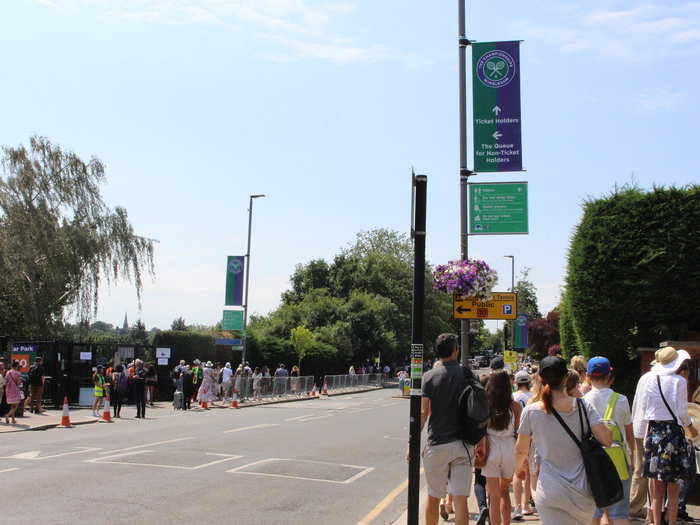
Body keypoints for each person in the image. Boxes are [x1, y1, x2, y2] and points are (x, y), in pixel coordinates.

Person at [515, 356, 612, 525]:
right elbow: (606, 439)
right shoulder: (584, 406)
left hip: (550, 489)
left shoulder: (531, 412)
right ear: (566, 377)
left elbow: (521, 450)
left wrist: (518, 470)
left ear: (540, 379)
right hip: (582, 492)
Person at [417, 333, 476, 525]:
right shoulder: (468, 375)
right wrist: (481, 442)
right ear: (456, 350)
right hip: (463, 444)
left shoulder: (428, 377)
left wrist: (412, 442)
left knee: (433, 497)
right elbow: (477, 412)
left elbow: (424, 413)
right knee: (460, 499)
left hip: (437, 444)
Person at [634, 347, 696, 525]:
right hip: (673, 434)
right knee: (674, 487)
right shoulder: (679, 381)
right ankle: (672, 521)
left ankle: (654, 521)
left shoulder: (649, 379)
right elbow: (683, 414)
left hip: (654, 434)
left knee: (656, 486)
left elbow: (644, 409)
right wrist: (693, 429)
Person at [583, 356, 634, 525]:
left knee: (594, 512)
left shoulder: (582, 402)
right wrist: (632, 458)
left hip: (592, 464)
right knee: (619, 513)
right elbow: (629, 433)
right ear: (609, 376)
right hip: (618, 462)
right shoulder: (621, 400)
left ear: (588, 377)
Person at [483, 370, 522, 525]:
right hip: (509, 448)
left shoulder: (486, 404)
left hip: (490, 447)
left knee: (493, 495)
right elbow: (518, 432)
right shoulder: (515, 406)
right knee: (505, 492)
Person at [511, 370, 534, 520]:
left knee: (517, 471)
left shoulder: (512, 397)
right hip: (532, 437)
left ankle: (517, 507)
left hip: (515, 436)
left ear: (516, 382)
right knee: (529, 471)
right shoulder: (533, 396)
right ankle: (526, 504)